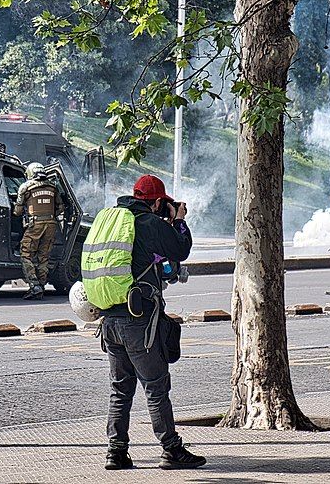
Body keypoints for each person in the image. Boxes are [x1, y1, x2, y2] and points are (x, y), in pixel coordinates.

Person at [98, 174, 206, 471]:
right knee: (156, 386)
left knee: (120, 389)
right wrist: (178, 219)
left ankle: (116, 452)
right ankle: (172, 450)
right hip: (138, 321)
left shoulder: (116, 221)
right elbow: (181, 248)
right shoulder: (147, 224)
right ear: (157, 201)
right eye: (162, 204)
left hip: (110, 319)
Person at [13, 162, 63, 300]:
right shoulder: (53, 187)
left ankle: (34, 286)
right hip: (51, 225)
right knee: (43, 256)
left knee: (26, 254)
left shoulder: (25, 187)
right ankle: (41, 285)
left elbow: (17, 211)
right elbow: (61, 208)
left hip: (35, 225)